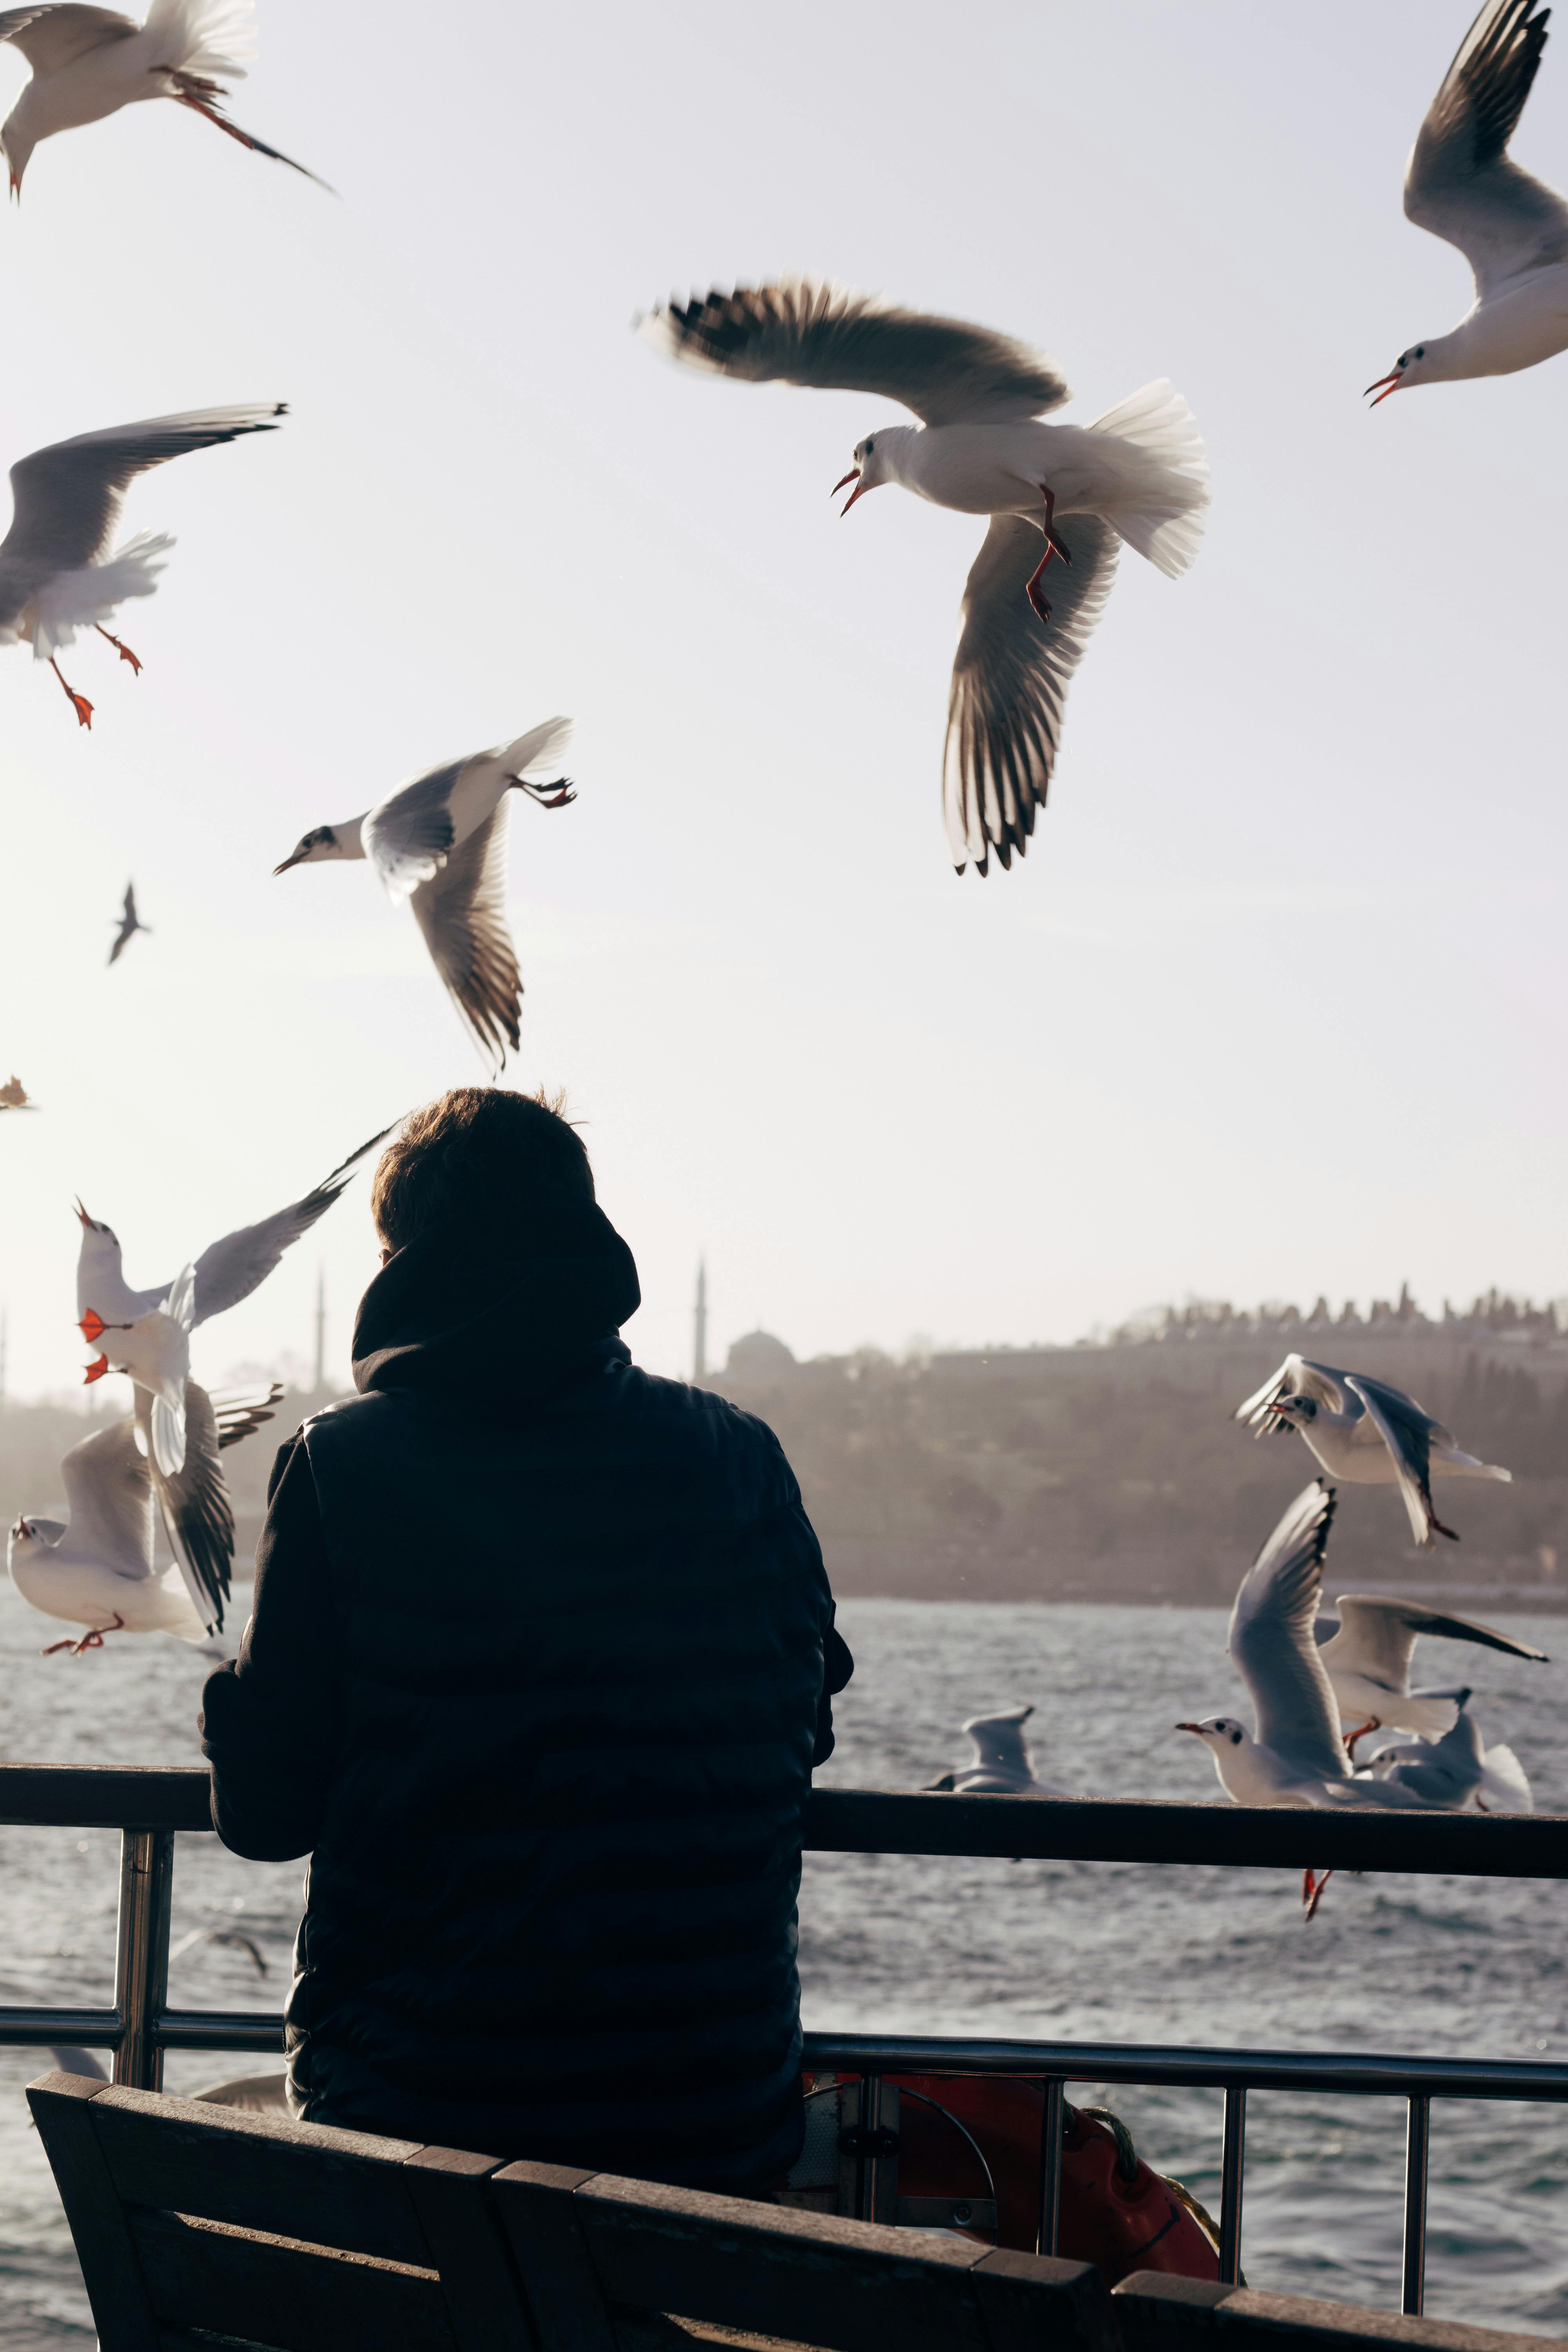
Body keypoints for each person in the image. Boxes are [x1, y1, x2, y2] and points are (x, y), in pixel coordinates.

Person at [200, 1086, 851, 2193]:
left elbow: (265, 1820)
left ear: (402, 1257)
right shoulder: (743, 1455)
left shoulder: (345, 1467)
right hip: (709, 2119)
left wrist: (236, 1695)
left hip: (423, 2113)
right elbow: (807, 1718)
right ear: (584, 1233)